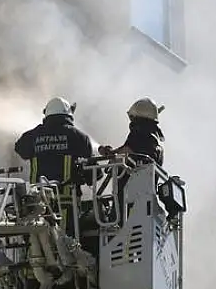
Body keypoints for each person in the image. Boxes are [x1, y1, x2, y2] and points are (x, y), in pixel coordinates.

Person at [15, 97, 96, 236]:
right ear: (68, 115)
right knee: (67, 246)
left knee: (38, 245)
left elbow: (20, 149)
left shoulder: (33, 136)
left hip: (37, 204)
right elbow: (93, 175)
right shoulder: (79, 137)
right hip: (67, 204)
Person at [99, 97, 165, 166]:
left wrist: (110, 153)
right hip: (145, 174)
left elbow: (126, 152)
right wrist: (112, 152)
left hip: (133, 175)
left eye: (132, 117)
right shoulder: (155, 140)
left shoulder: (139, 133)